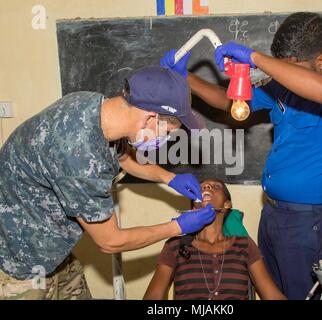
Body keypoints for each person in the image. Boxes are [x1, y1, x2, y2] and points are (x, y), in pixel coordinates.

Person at [160, 12, 322, 299]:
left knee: (302, 294)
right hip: (272, 213)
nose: (283, 76)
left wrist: (254, 59)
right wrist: (186, 77)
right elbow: (229, 102)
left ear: (321, 62)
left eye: (290, 69)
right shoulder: (280, 87)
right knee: (271, 293)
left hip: (305, 220)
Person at [0, 66, 216, 299]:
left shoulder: (97, 107)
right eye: (167, 133)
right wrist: (178, 227)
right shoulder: (79, 154)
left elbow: (122, 157)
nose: (165, 140)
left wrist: (169, 177)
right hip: (20, 265)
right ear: (150, 118)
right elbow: (110, 242)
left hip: (54, 249)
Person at [144, 178, 286, 300]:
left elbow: (273, 296)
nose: (206, 187)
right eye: (201, 187)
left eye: (215, 187)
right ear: (194, 206)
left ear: (227, 205)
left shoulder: (244, 245)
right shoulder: (175, 245)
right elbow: (153, 297)